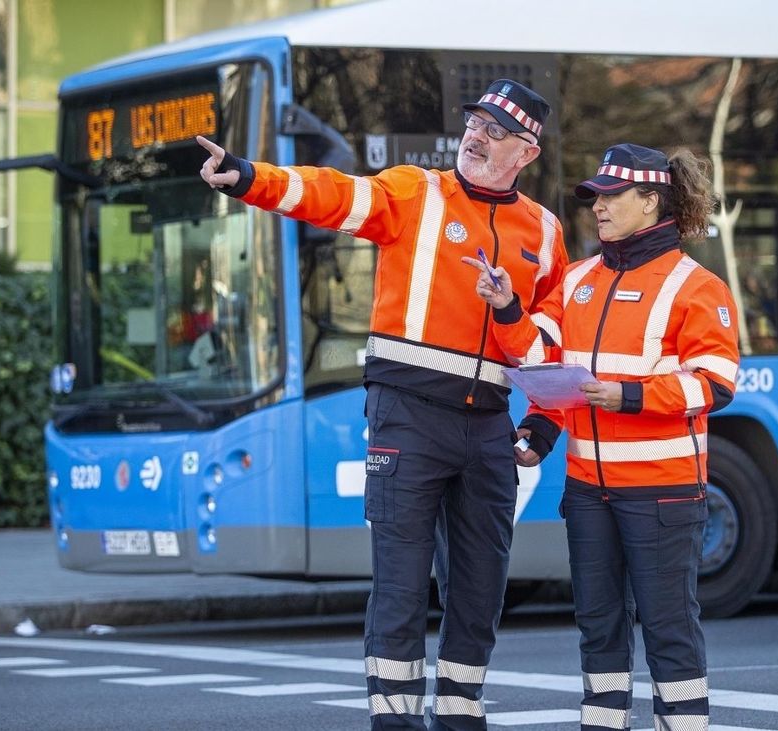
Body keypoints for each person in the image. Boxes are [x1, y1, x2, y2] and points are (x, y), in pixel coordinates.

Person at [197, 79, 568, 731]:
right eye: (475, 122)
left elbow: (554, 341)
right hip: (407, 413)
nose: (476, 135)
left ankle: (460, 718)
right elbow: (332, 193)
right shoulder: (415, 191)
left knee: (480, 590)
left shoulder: (543, 229)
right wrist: (248, 177)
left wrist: (542, 423)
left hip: (489, 426)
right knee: (400, 586)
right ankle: (394, 723)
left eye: (496, 130)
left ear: (527, 151)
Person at [468, 143, 740, 730]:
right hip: (588, 490)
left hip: (663, 493)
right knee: (598, 627)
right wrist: (510, 309)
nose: (598, 207)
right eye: (594, 197)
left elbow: (715, 385)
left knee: (668, 627)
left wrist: (628, 395)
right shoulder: (578, 279)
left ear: (651, 201)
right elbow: (545, 363)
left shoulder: (697, 285)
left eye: (612, 196)